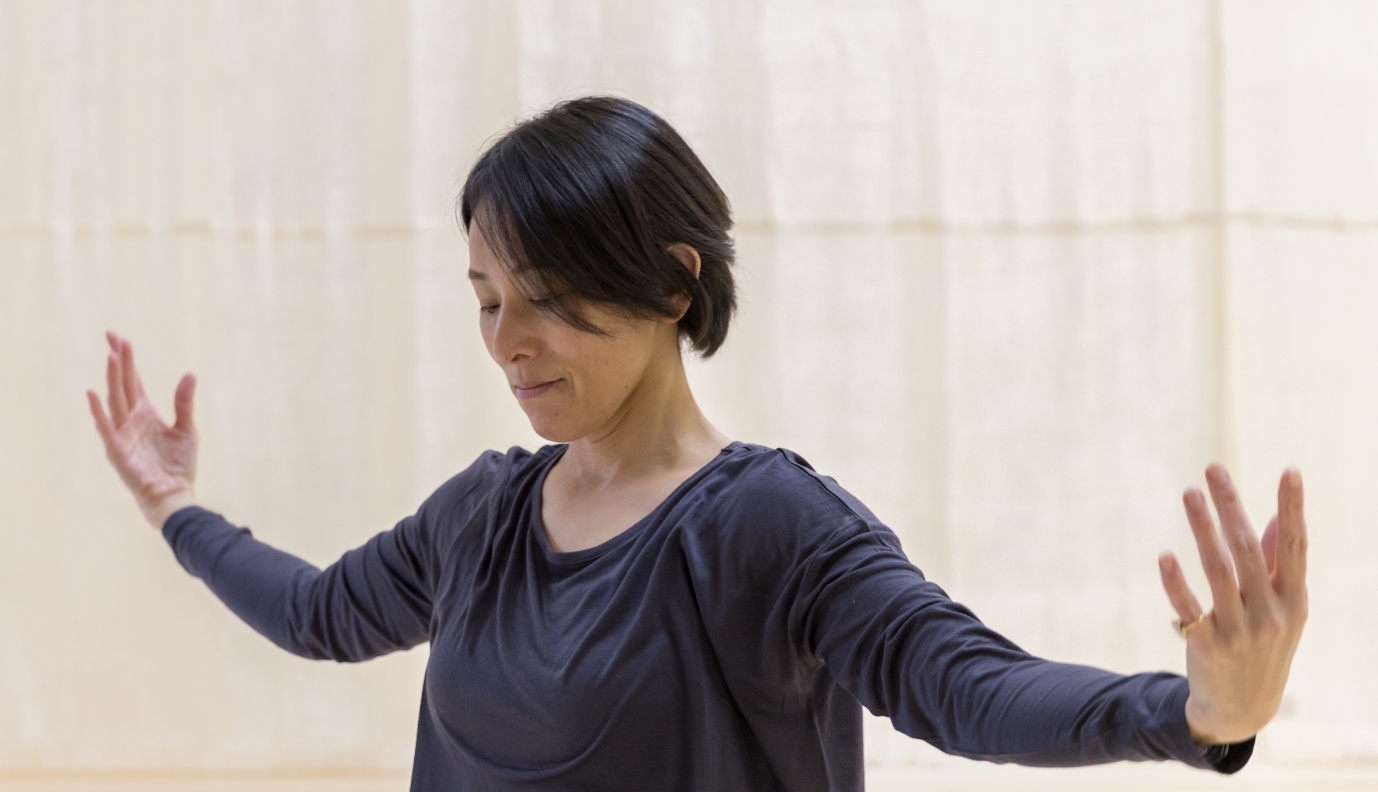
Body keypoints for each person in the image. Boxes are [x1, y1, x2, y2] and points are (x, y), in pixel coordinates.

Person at [87, 96, 1307, 791]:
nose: (506, 341)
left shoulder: (764, 523)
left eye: (545, 296)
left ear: (674, 284)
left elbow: (959, 684)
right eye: (484, 299)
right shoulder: (481, 516)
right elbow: (317, 614)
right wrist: (172, 509)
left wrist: (1192, 715)